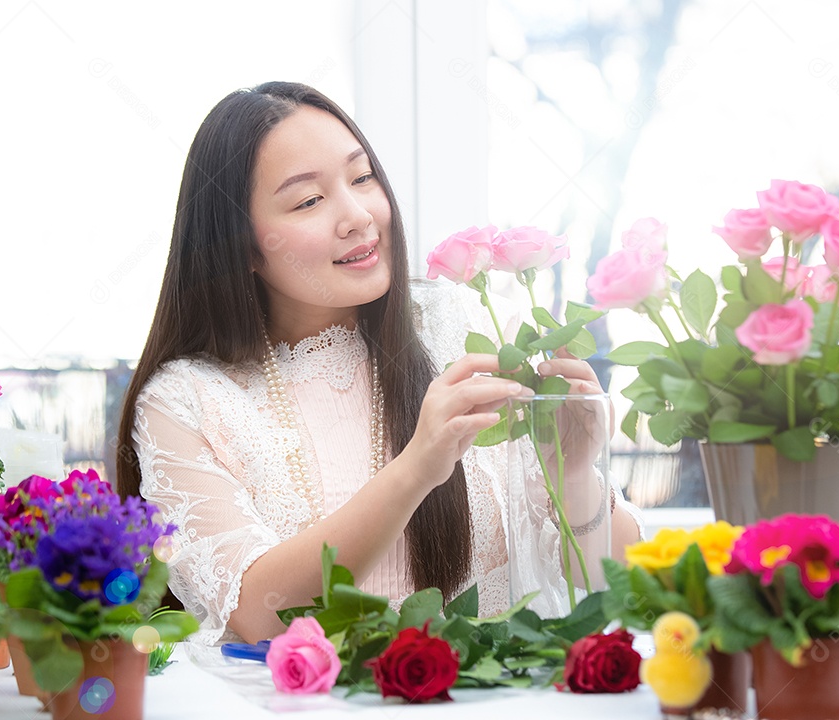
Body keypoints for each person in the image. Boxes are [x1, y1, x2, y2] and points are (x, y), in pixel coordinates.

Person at [116, 81, 642, 656]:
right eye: (308, 201)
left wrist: (574, 471)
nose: (358, 215)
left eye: (362, 177)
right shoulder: (188, 400)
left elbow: (616, 586)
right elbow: (261, 614)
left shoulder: (464, 324)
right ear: (241, 246)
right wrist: (418, 466)